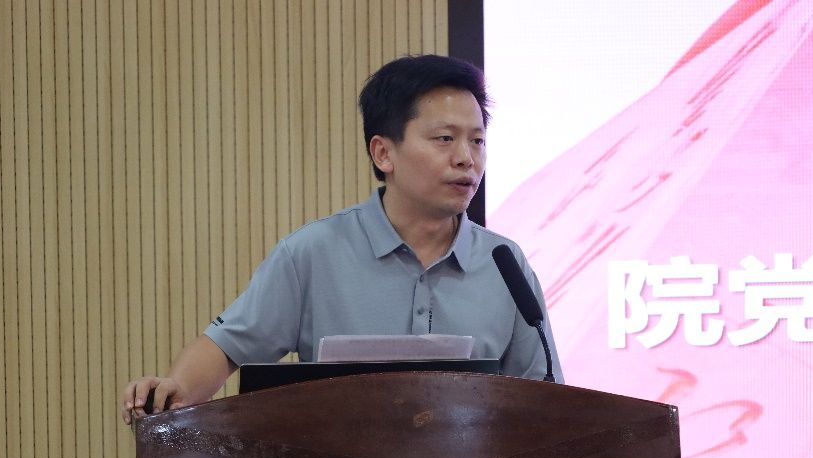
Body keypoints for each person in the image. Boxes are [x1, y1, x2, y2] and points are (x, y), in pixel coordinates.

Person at [120, 54, 563, 425]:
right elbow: (225, 347)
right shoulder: (314, 253)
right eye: (445, 139)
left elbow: (547, 399)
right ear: (383, 153)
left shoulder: (504, 263)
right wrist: (173, 390)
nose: (467, 159)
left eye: (478, 141)